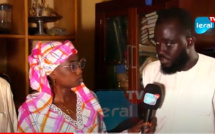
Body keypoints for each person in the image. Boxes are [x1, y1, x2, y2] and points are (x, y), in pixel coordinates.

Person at [17, 40, 150, 133]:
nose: (80, 70)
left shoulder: (89, 99)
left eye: (79, 64)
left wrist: (130, 132)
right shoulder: (33, 110)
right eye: (72, 66)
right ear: (51, 72)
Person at [142, 7, 215, 133]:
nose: (160, 51)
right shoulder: (151, 71)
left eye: (169, 44)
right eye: (158, 43)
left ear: (189, 42)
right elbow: (150, 117)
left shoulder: (212, 71)